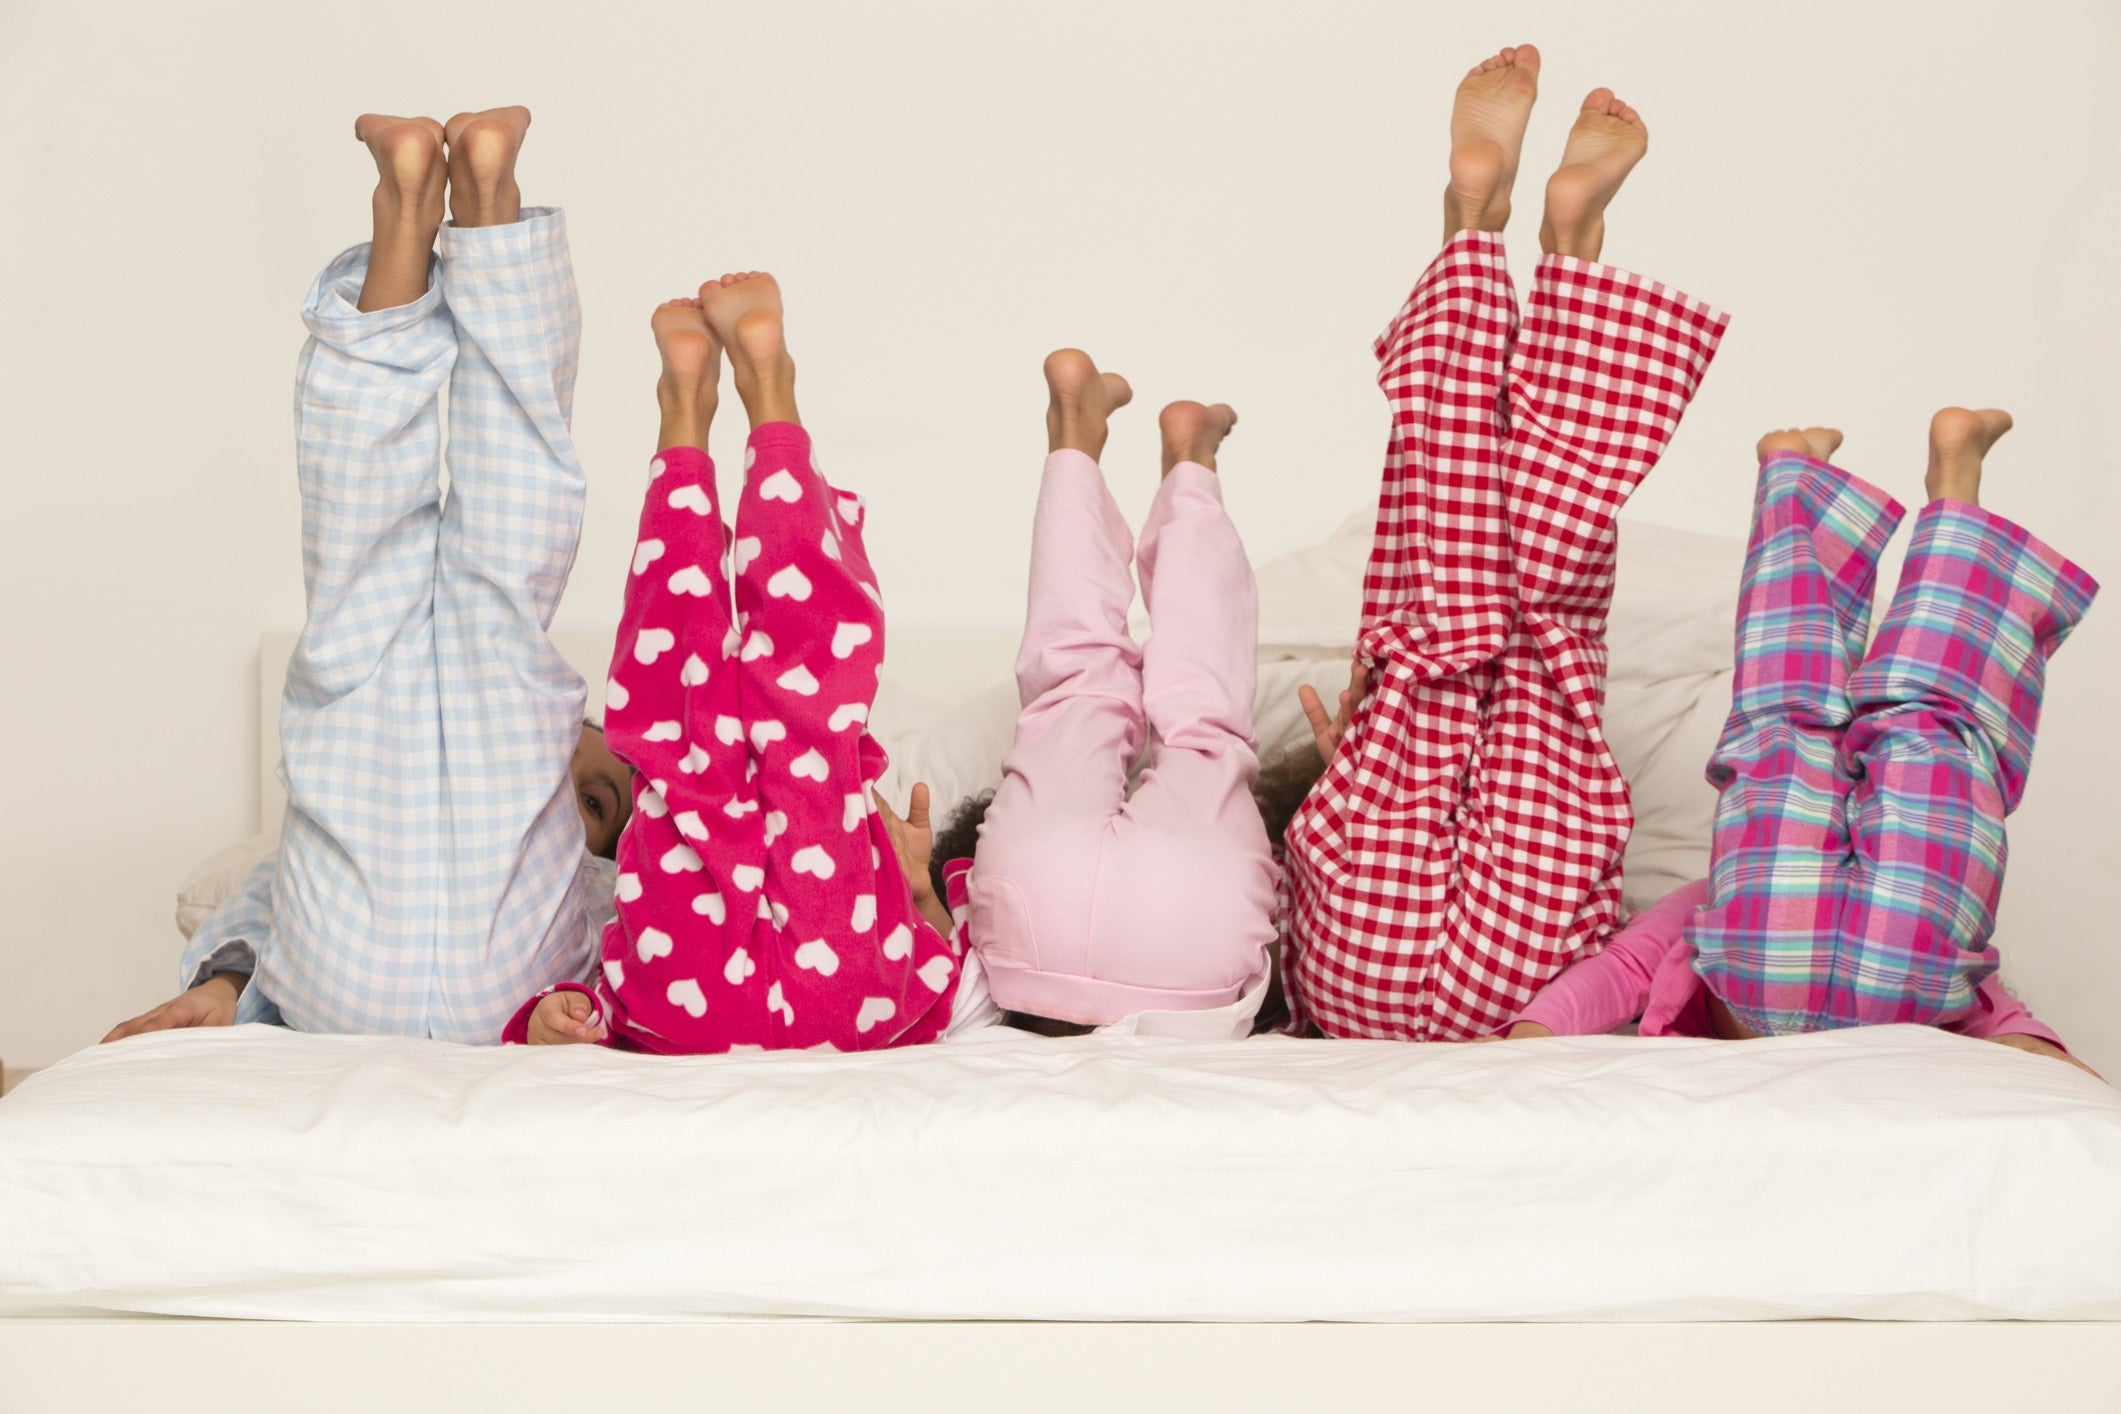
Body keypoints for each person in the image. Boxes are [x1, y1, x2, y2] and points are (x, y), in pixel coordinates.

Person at [105, 108, 625, 1044]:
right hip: (373, 942)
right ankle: (476, 202)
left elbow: (661, 961)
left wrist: (587, 1014)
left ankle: (411, 209)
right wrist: (224, 987)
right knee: (497, 572)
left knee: (362, 571)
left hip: (402, 970)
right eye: (573, 768)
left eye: (587, 802)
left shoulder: (603, 883)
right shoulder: (530, 764)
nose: (572, 786)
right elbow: (265, 898)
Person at [1281, 44, 1731, 1041]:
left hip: (1367, 982)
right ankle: (1492, 239)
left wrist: (1343, 763)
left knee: (1538, 636)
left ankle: (1542, 247)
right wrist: (1356, 755)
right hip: (1498, 982)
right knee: (1456, 594)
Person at [1494, 415, 2099, 1077]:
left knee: (1914, 737)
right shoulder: (1722, 893)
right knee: (1797, 720)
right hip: (1895, 990)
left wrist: (1532, 1031)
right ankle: (1825, 482)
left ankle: (1848, 485)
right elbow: (1990, 1007)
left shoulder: (1713, 897)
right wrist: (2042, 1052)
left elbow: (1625, 968)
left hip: (1779, 971)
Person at [512, 275, 992, 1051]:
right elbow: (973, 991)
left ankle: (688, 422)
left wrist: (548, 1018)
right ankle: (754, 403)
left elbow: (566, 1018)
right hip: (849, 996)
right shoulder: (577, 892)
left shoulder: (619, 905)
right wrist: (924, 898)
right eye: (596, 802)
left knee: (681, 743)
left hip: (688, 1006)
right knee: (806, 725)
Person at [927, 351, 1281, 1038]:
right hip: (1158, 921)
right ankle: (1117, 451)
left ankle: (1177, 461)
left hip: (1052, 918)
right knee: (1077, 684)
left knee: (1197, 719)